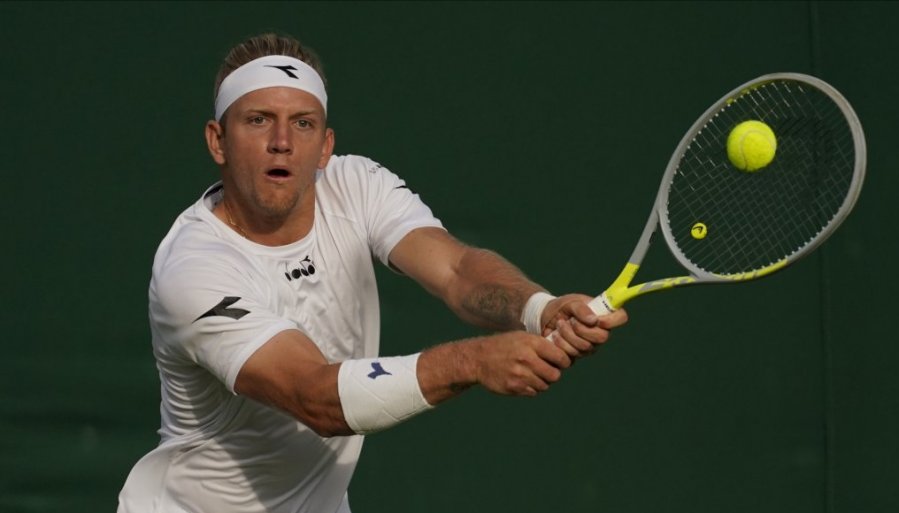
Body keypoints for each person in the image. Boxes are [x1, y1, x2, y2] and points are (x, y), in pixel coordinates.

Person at [117, 33, 628, 513]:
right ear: (218, 141)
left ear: (325, 146)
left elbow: (456, 269)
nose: (282, 141)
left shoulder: (356, 185)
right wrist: (474, 361)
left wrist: (539, 308)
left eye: (302, 123)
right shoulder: (194, 269)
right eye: (258, 120)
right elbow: (314, 396)